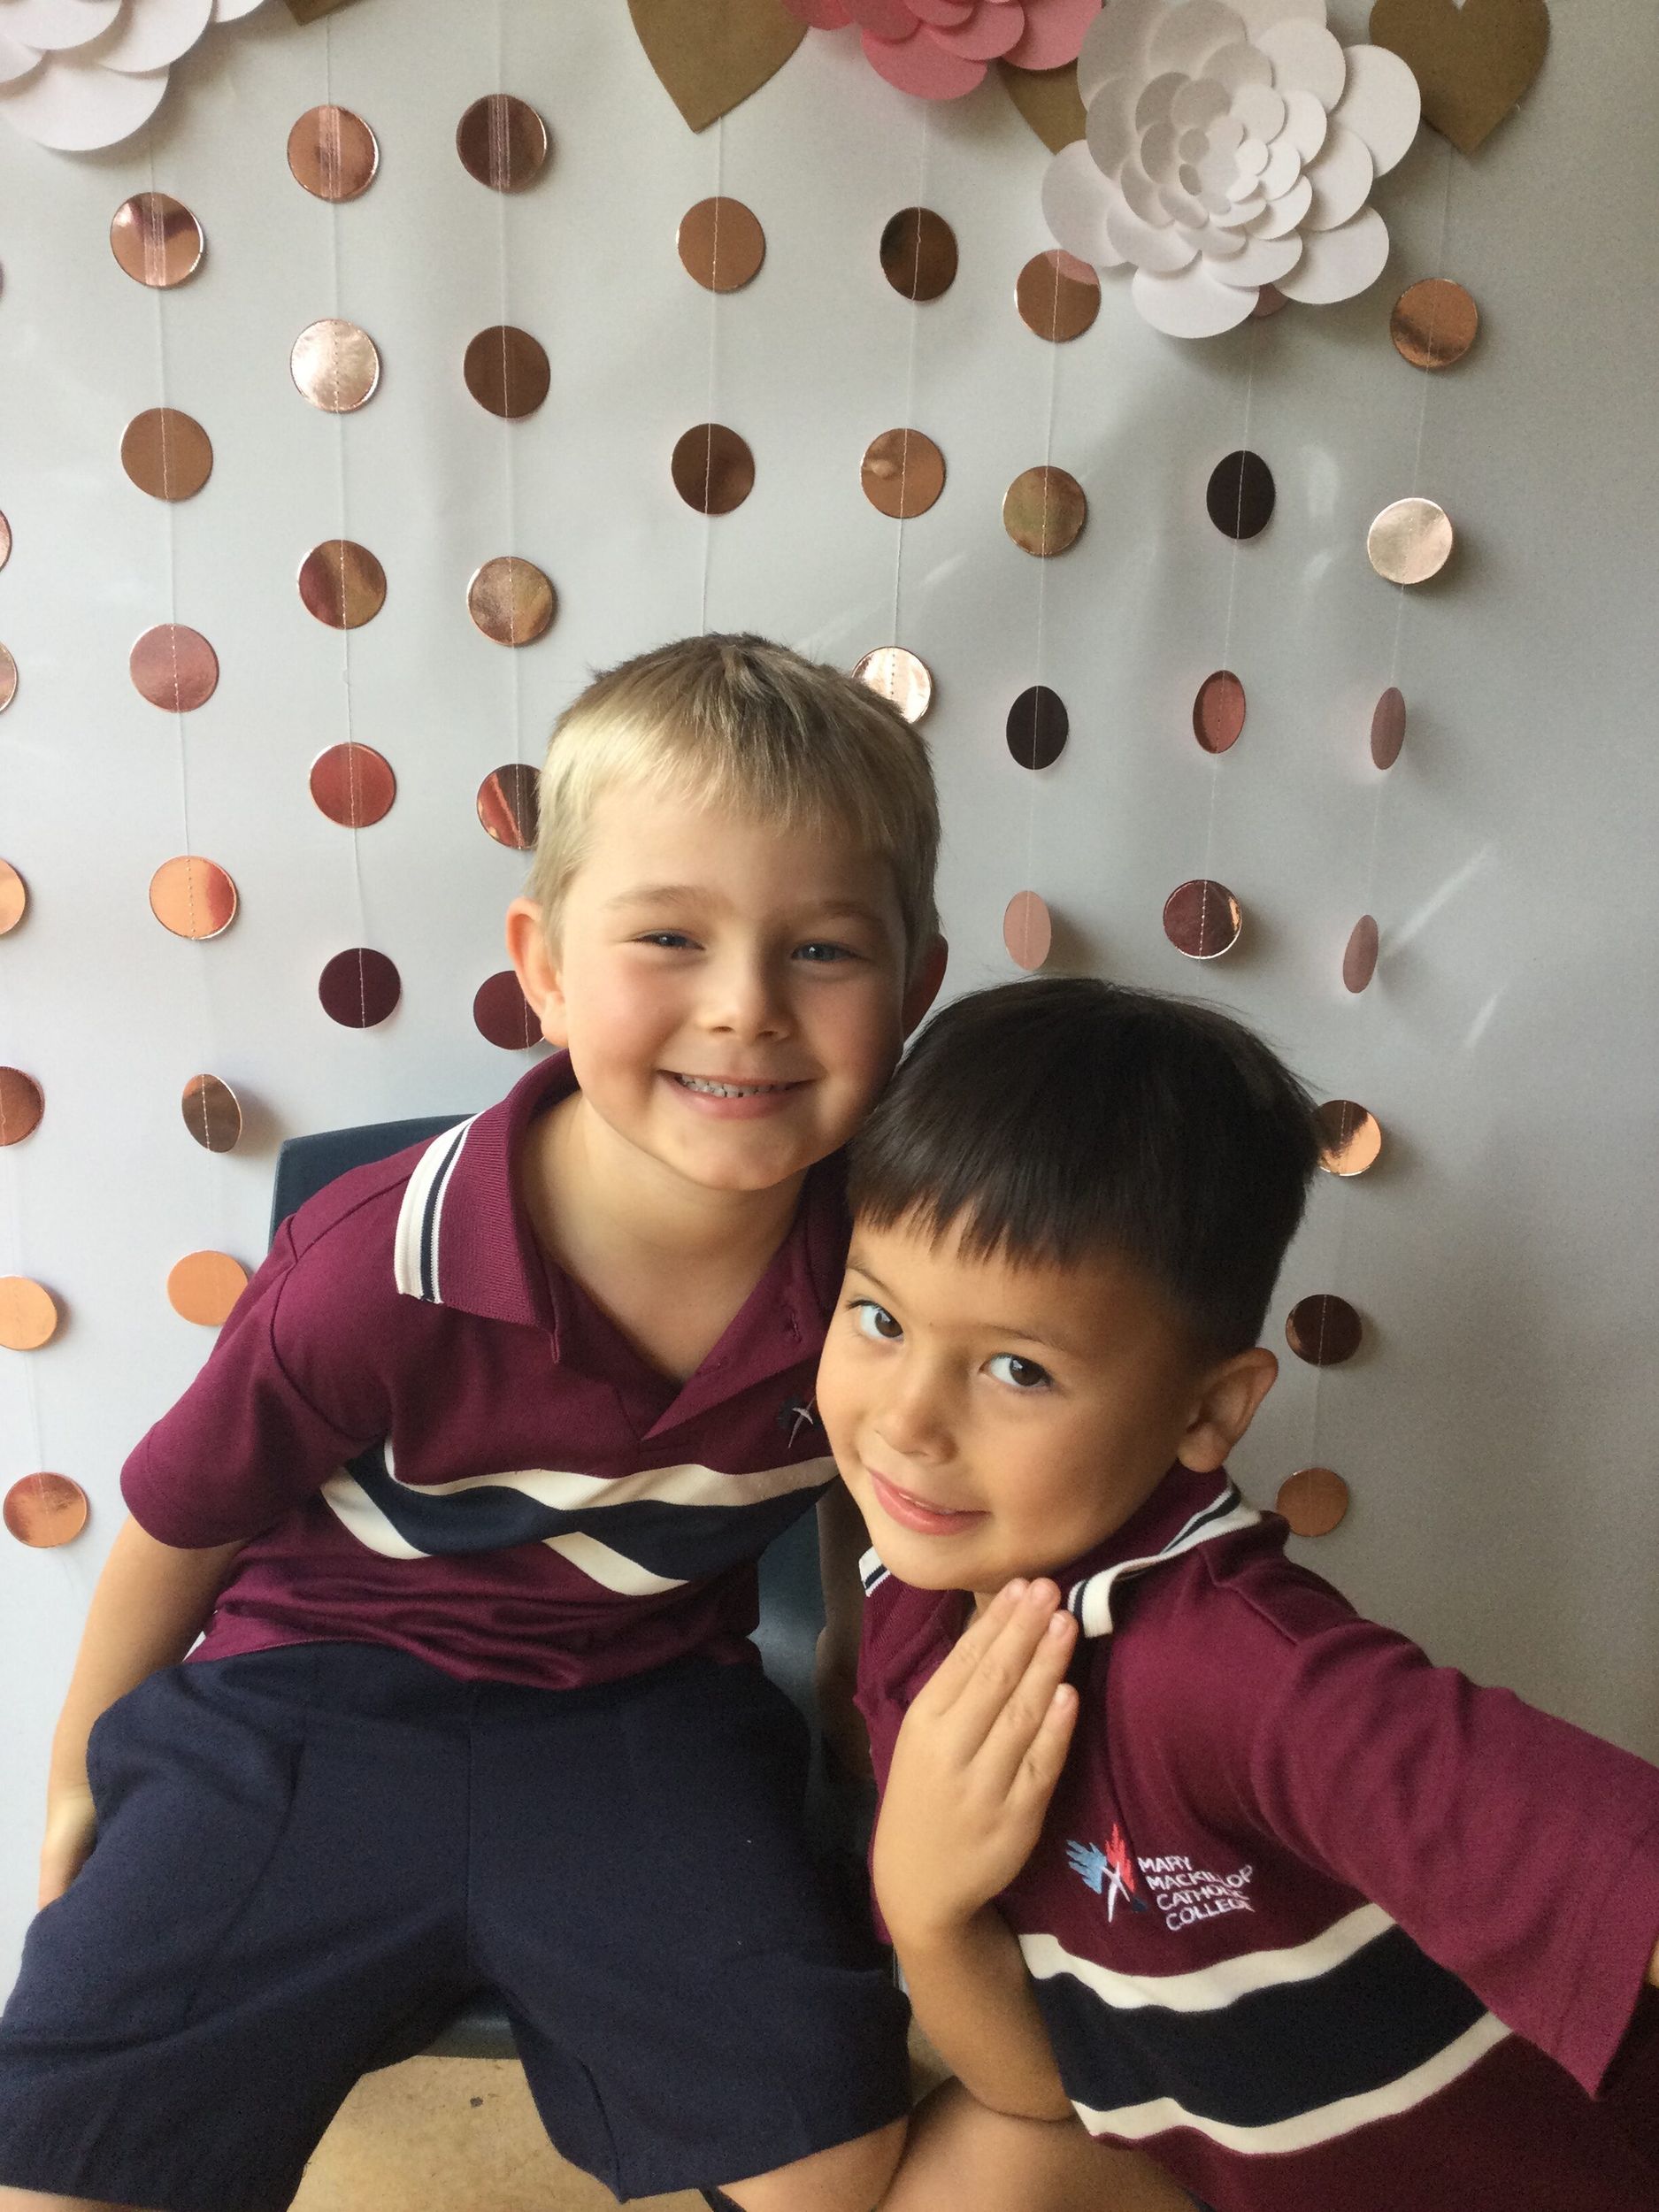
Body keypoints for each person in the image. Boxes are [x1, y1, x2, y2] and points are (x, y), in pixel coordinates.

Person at [0, 634, 950, 2212]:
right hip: (302, 1711)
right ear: (547, 965)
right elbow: (183, 1518)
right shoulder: (377, 1261)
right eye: (670, 937)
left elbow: (884, 1503)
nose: (746, 1009)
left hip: (644, 1723)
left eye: (824, 951)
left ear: (914, 985)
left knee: (833, 2155)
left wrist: (863, 1733)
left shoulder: (896, 1270)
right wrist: (78, 1777)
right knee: (53, 2154)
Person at [813, 976, 1659, 2212]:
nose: (906, 1422)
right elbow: (1042, 2092)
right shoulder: (916, 1597)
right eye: (878, 1317)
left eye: (1017, 1369)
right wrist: (921, 1900)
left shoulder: (1245, 1675)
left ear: (1209, 1410)